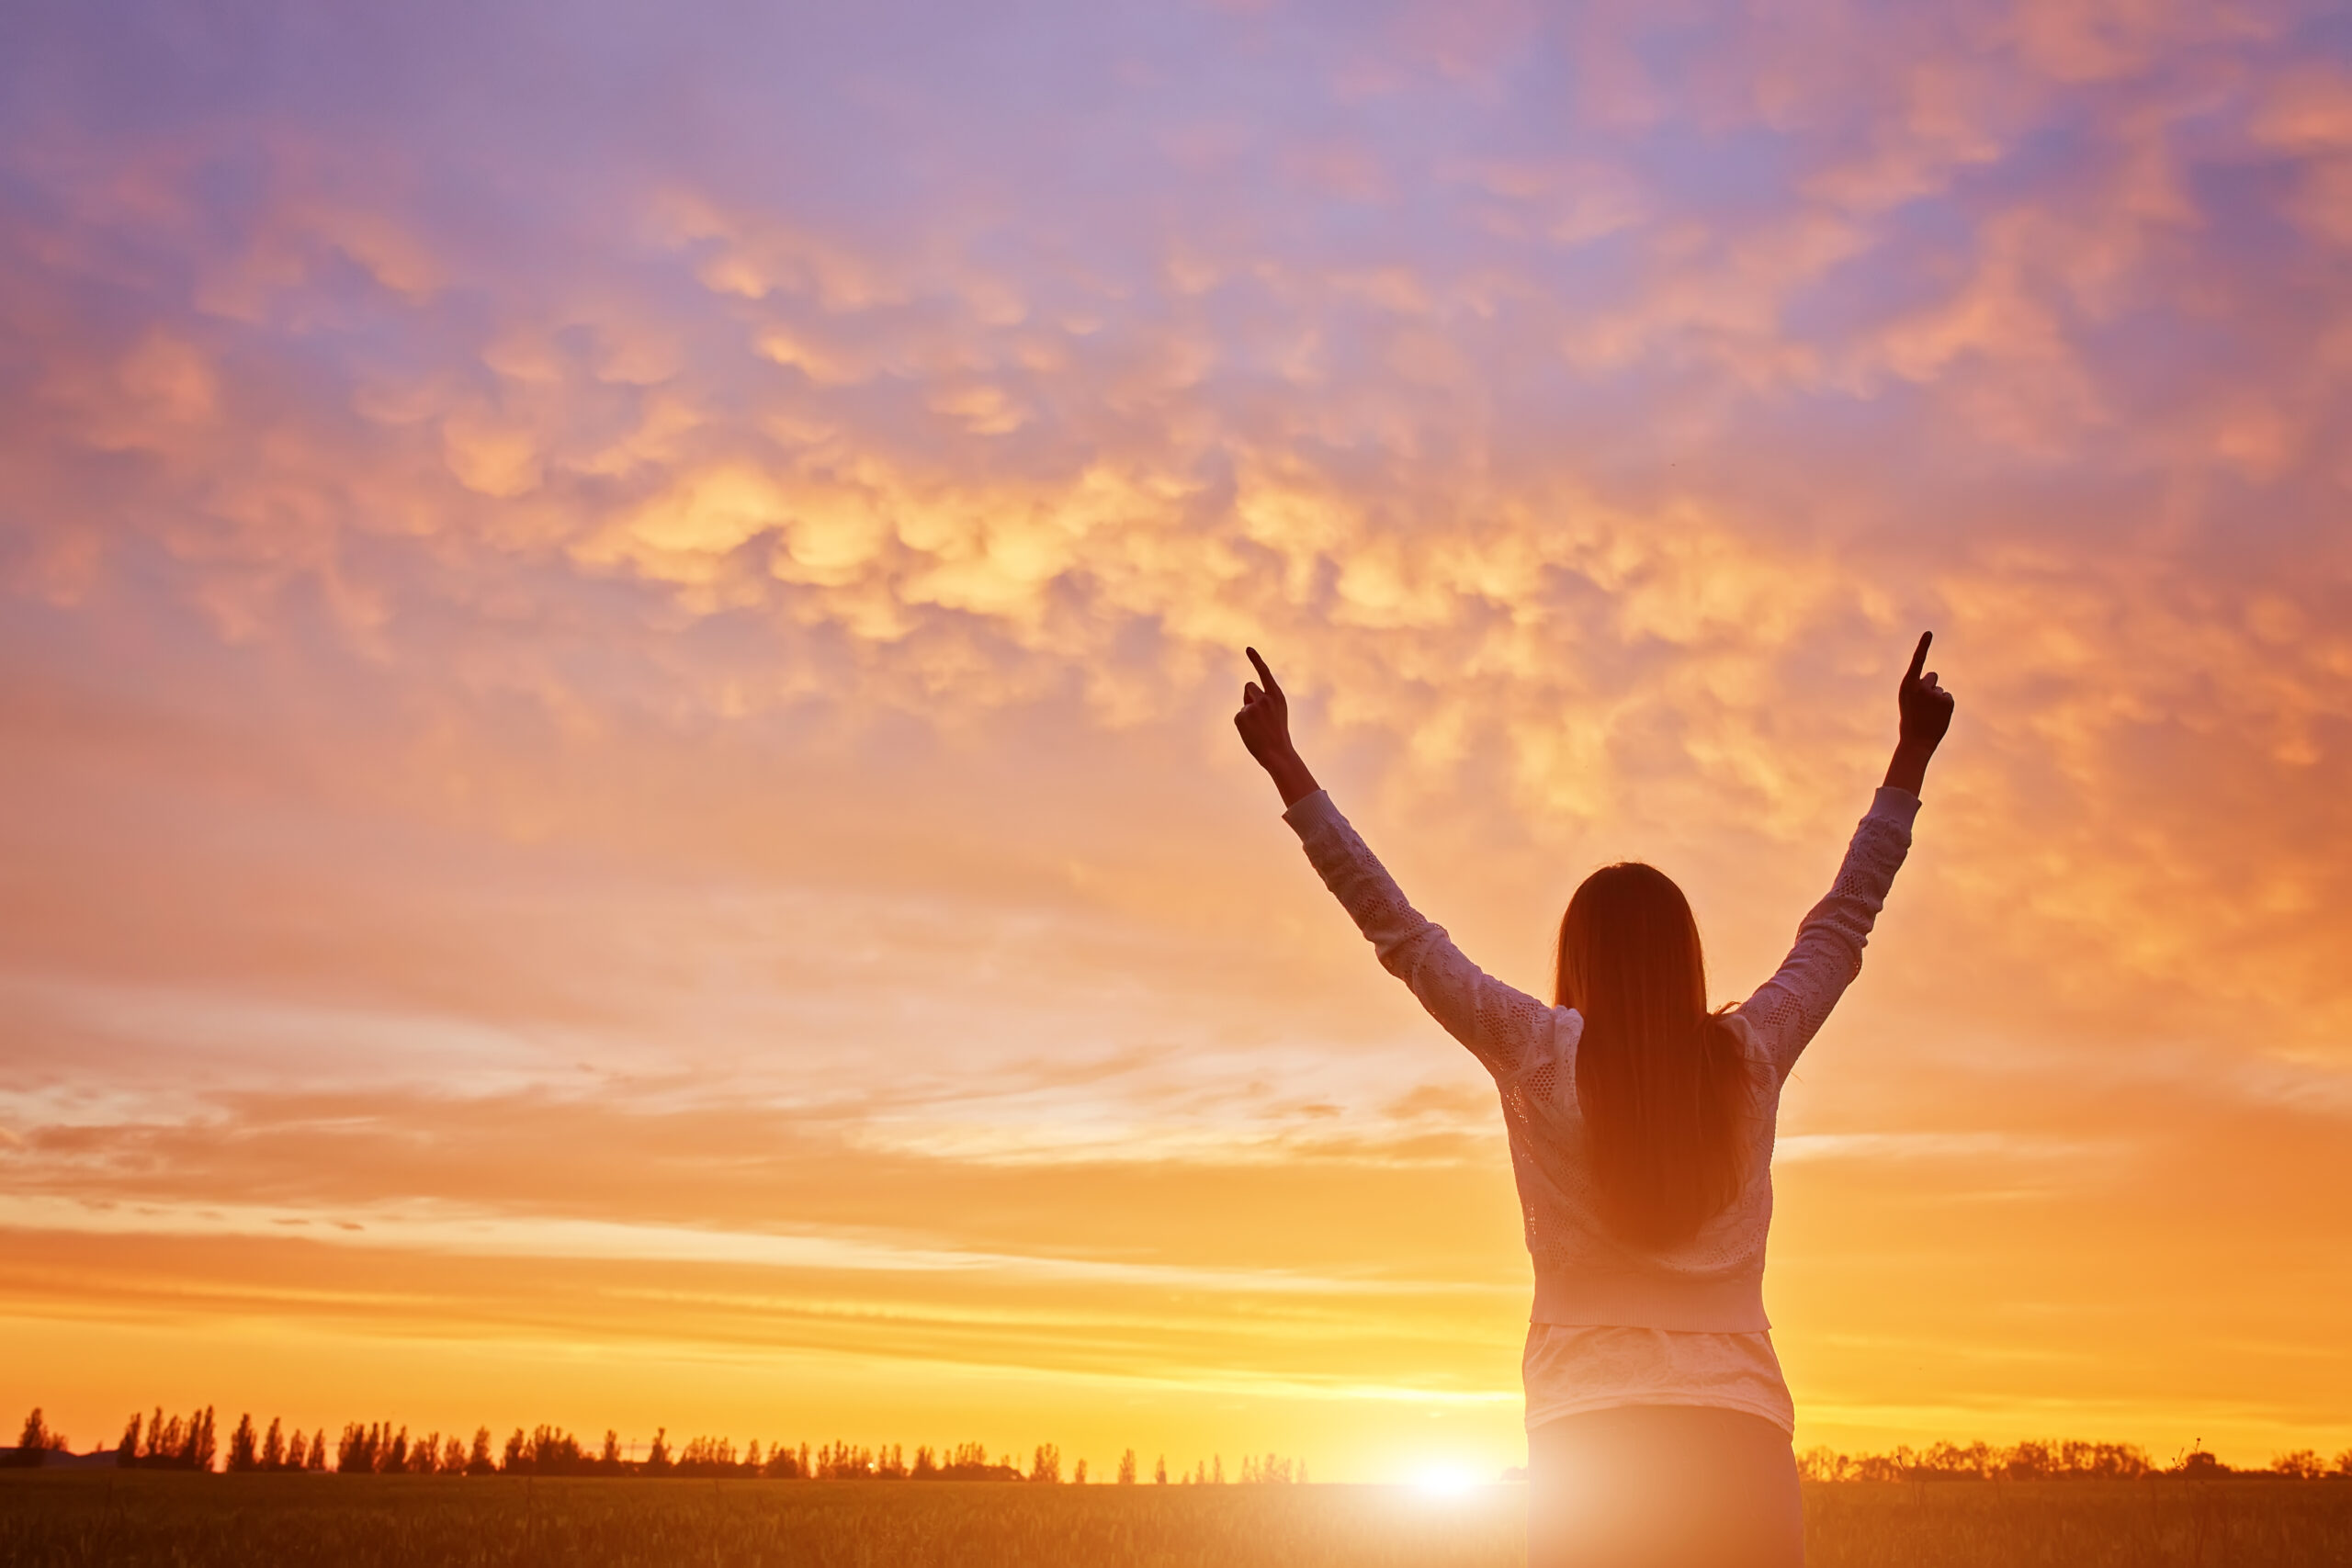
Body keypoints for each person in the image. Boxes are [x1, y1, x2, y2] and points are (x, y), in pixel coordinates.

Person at [1234, 635, 1954, 1567]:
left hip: (1590, 1436)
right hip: (1738, 1437)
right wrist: (1910, 753)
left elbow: (1400, 933)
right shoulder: (1750, 1053)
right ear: (1686, 959)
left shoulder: (1537, 1050)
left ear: (1578, 958)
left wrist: (1286, 765)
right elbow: (1844, 921)